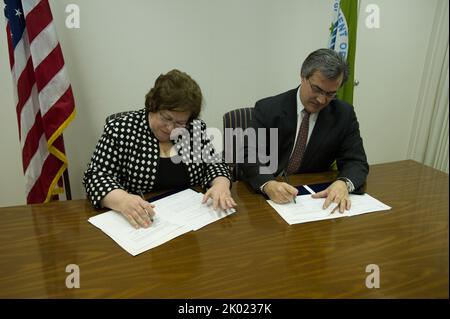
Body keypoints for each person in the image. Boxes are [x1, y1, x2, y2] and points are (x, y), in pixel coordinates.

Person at [83, 69, 236, 229]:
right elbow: (95, 177)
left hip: (189, 222)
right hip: (142, 223)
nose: (170, 128)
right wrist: (123, 200)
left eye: (179, 123)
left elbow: (215, 164)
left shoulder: (194, 129)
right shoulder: (121, 129)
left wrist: (221, 185)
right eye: (166, 118)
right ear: (152, 106)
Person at [241, 48, 369, 213]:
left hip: (312, 198)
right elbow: (247, 153)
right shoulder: (268, 108)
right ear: (303, 76)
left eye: (330, 94)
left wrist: (343, 182)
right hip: (264, 198)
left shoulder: (343, 114)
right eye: (317, 89)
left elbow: (356, 161)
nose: (322, 100)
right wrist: (268, 184)